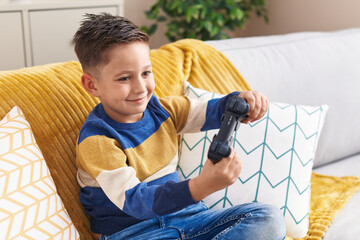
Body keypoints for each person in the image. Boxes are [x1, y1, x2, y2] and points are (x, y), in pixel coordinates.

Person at [73, 13, 286, 240]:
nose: (140, 88)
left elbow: (210, 111)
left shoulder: (162, 110)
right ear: (92, 84)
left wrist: (241, 101)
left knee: (268, 219)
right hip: (134, 233)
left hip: (189, 218)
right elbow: (136, 202)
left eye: (146, 73)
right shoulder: (97, 140)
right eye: (125, 78)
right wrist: (201, 186)